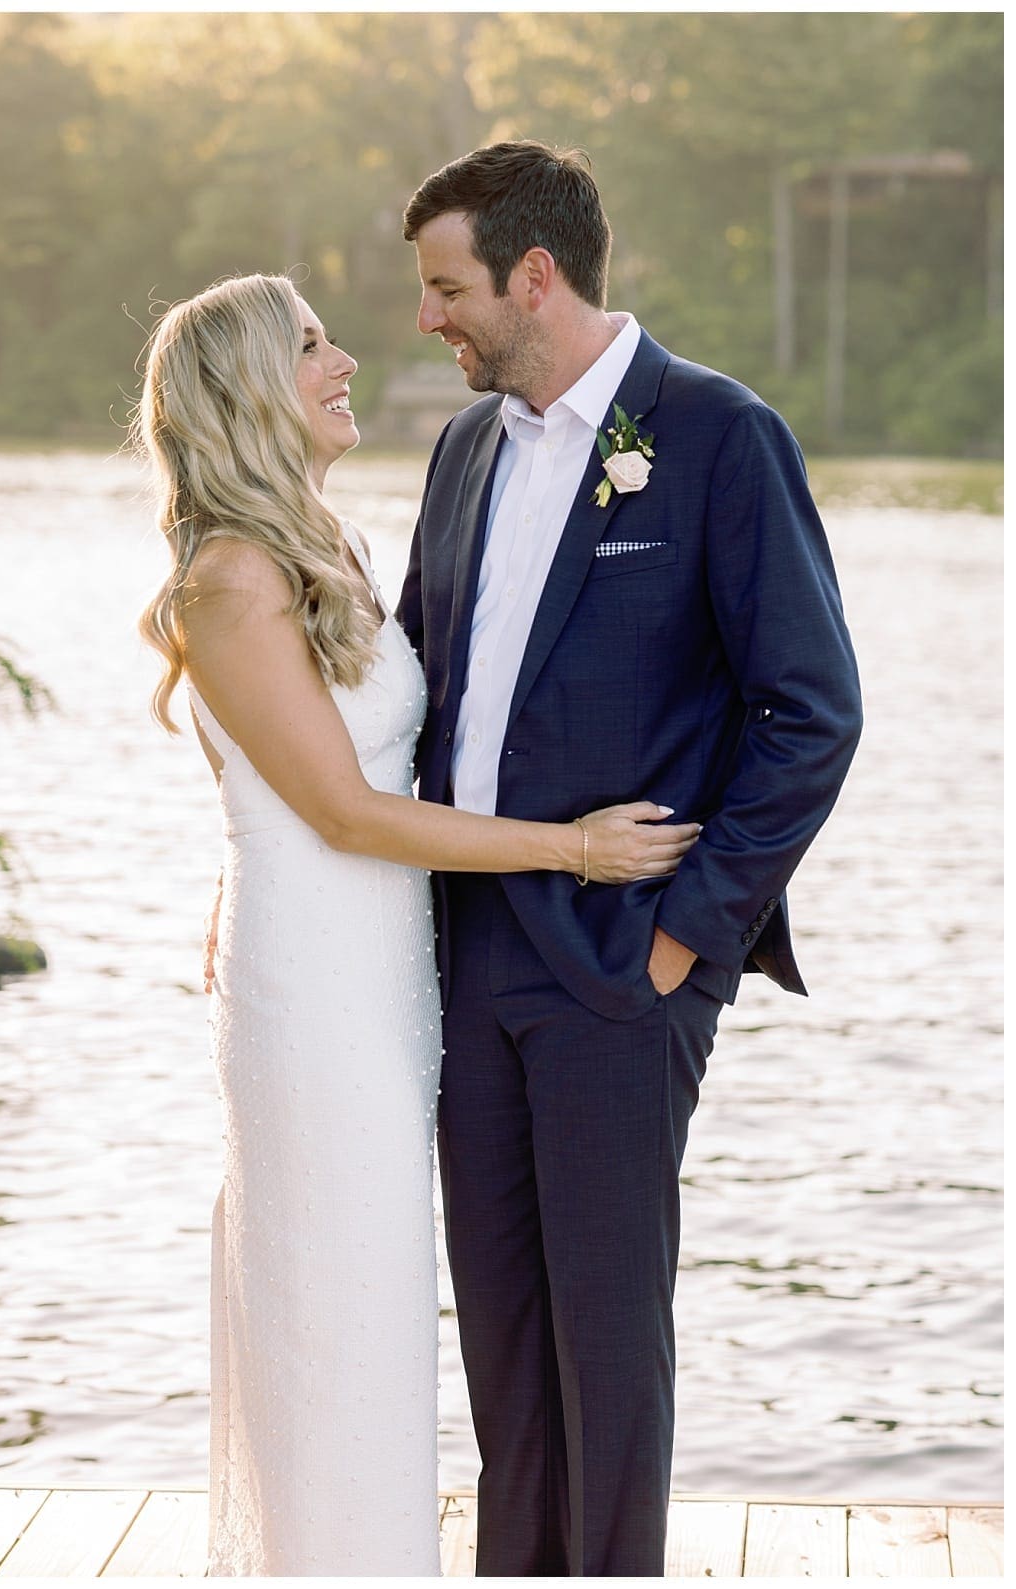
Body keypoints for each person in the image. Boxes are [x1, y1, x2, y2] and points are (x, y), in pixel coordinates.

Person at [136, 271, 699, 1576]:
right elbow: (338, 810)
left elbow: (312, 772)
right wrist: (576, 847)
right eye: (314, 346)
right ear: (244, 393)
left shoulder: (322, 547)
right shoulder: (229, 576)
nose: (344, 363)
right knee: (336, 1324)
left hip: (390, 979)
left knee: (384, 1327)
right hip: (317, 996)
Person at [397, 142, 861, 1575]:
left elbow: (813, 711)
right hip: (467, 961)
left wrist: (687, 939)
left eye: (447, 288)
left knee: (608, 1345)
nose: (430, 319)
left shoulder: (718, 435)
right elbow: (423, 677)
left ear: (535, 277)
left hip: (622, 969)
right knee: (505, 1352)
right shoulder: (465, 448)